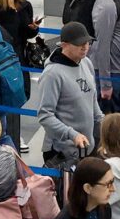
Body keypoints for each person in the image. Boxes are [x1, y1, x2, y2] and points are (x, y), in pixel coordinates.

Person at [33, 21, 99, 177]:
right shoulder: (52, 74)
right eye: (79, 44)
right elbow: (45, 115)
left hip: (87, 149)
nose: (85, 47)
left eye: (87, 42)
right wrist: (72, 134)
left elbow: (92, 100)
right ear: (64, 45)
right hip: (61, 152)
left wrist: (104, 127)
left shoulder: (86, 63)